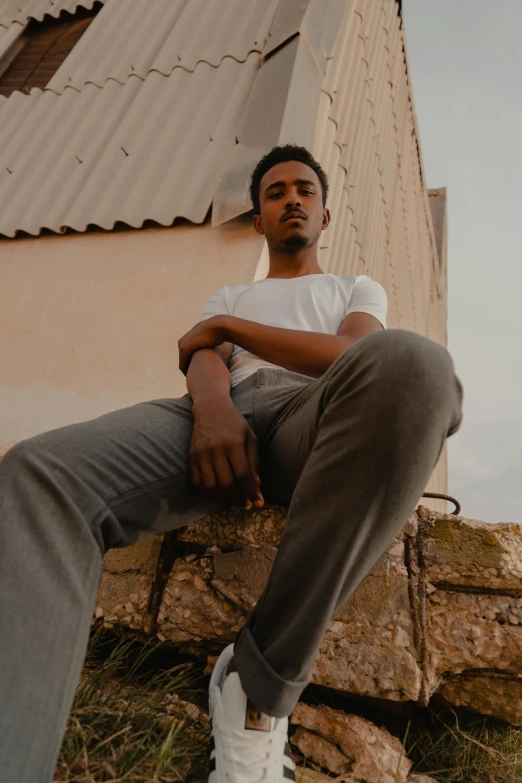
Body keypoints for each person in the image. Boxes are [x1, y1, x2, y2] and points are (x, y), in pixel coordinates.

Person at [0, 144, 463, 783]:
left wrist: (229, 328)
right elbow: (200, 356)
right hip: (216, 416)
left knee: (416, 364)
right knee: (38, 472)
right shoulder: (232, 291)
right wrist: (214, 410)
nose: (291, 199)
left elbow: (351, 355)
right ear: (258, 220)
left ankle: (257, 683)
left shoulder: (354, 288)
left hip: (315, 418)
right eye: (274, 193)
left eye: (304, 189)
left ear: (325, 215)